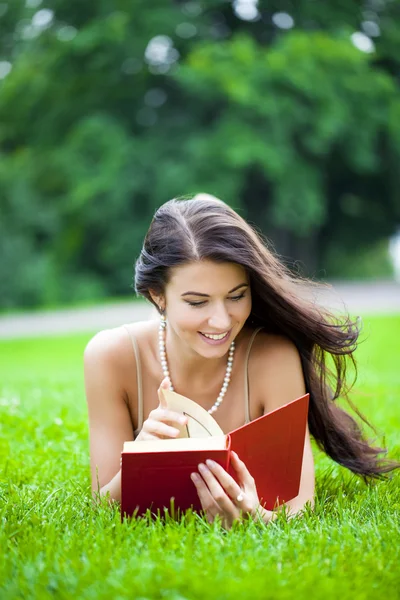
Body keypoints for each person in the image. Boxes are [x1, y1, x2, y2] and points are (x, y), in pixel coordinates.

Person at [84, 194, 399, 529]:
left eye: (236, 296)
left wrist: (257, 517)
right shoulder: (110, 357)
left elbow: (299, 507)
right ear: (156, 295)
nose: (221, 321)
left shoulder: (273, 358)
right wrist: (140, 459)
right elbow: (101, 506)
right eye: (197, 302)